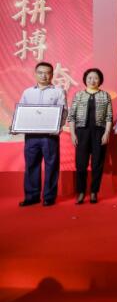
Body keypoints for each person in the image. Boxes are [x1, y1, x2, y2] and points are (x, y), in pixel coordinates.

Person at [17, 62, 67, 207]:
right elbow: (21, 111)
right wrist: (17, 125)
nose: (43, 75)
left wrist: (58, 127)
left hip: (50, 135)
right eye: (40, 72)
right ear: (35, 74)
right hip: (31, 136)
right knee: (31, 165)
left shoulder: (58, 91)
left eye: (47, 73)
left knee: (51, 165)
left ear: (52, 74)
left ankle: (49, 197)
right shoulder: (27, 92)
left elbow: (64, 112)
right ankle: (32, 196)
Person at [67, 68, 113, 204]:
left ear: (100, 80)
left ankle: (94, 192)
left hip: (99, 132)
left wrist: (106, 133)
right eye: (90, 78)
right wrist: (73, 134)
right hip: (82, 133)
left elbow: (109, 116)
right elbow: (71, 116)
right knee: (81, 164)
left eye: (96, 78)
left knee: (97, 164)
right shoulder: (79, 95)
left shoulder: (105, 95)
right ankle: (81, 192)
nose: (92, 80)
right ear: (85, 80)